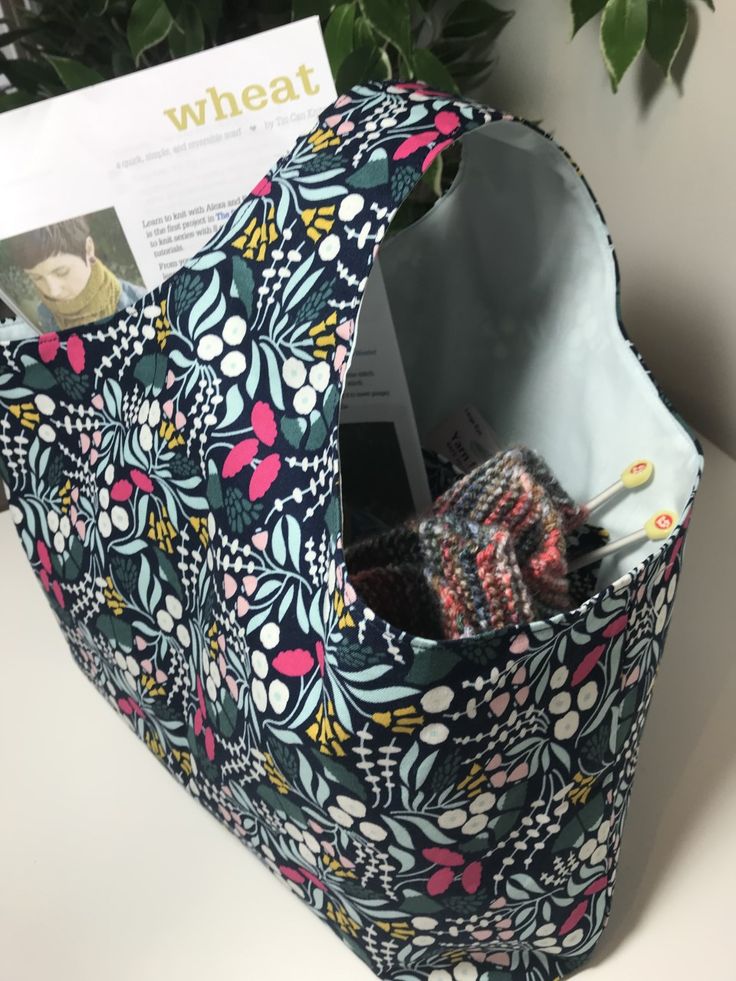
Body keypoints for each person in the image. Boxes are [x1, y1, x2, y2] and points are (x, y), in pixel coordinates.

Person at [6, 217, 144, 331]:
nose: (52, 291)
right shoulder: (45, 312)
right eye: (36, 278)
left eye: (61, 272)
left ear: (88, 249)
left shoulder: (139, 301)